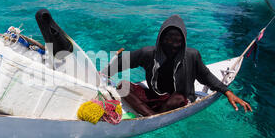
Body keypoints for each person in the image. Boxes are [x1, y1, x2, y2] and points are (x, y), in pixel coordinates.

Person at [101, 15, 252, 116]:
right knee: (122, 86)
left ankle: (150, 116)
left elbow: (206, 77)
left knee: (178, 99)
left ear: (184, 42)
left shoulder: (192, 55)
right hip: (154, 96)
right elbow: (121, 63)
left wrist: (227, 92)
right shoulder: (148, 53)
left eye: (177, 42)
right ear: (160, 39)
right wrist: (101, 75)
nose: (172, 46)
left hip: (176, 100)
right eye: (168, 40)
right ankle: (152, 116)